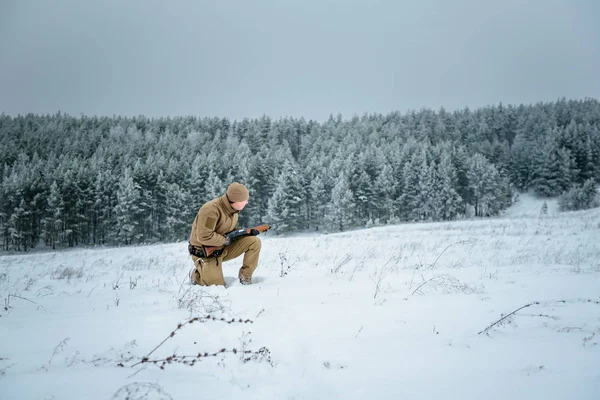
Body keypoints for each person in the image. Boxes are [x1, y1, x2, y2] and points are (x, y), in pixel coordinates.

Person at [188, 182, 262, 286]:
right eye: (244, 200)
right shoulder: (210, 210)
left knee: (254, 242)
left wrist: (246, 233)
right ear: (235, 200)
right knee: (216, 286)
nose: (247, 202)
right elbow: (204, 236)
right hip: (205, 253)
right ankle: (196, 275)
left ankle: (245, 277)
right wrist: (225, 240)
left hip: (222, 247)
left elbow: (230, 230)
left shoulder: (234, 211)